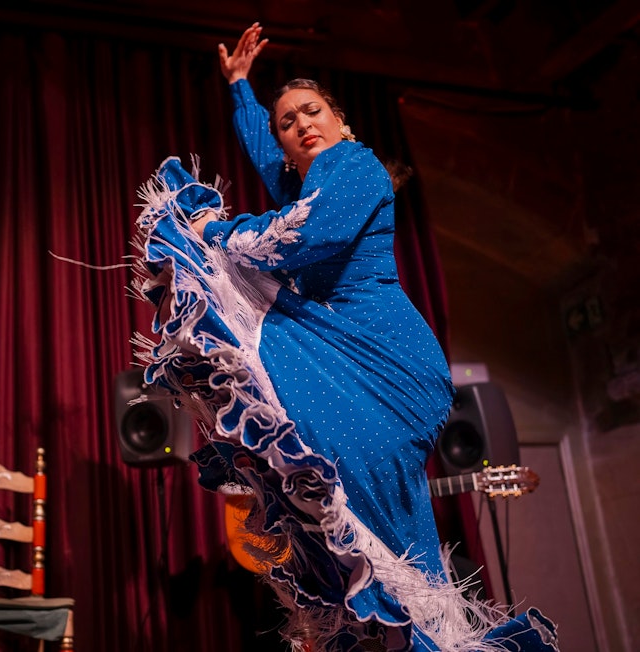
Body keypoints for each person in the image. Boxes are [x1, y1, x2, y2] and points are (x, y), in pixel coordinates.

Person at [132, 24, 558, 652]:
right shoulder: (311, 179)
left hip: (381, 359)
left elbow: (306, 236)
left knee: (357, 505)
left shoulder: (352, 167)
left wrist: (213, 233)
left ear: (342, 124)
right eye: (286, 123)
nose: (301, 124)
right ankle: (412, 633)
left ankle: (424, 635)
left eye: (313, 111)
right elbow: (268, 162)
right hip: (342, 352)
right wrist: (241, 88)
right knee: (365, 524)